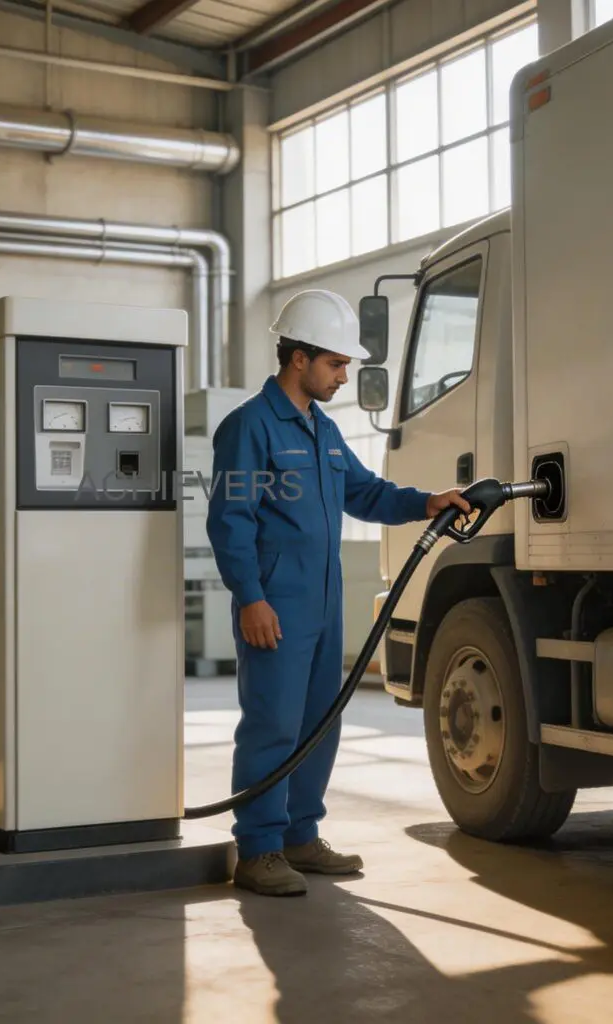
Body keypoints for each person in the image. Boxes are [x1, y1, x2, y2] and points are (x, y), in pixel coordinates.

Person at [205, 288, 471, 898]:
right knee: (273, 723)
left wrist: (425, 502)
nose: (344, 375)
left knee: (320, 723)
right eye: (336, 363)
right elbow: (230, 519)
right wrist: (250, 597)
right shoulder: (249, 427)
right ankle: (260, 849)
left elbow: (367, 492)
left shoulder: (321, 431)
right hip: (275, 604)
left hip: (322, 606)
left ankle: (300, 835)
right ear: (298, 359)